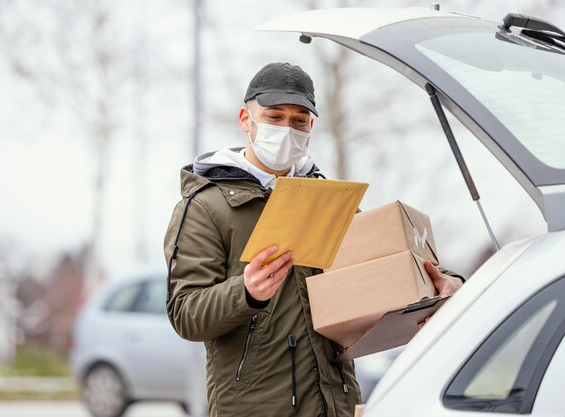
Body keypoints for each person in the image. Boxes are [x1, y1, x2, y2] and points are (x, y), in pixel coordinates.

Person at [164, 62, 464, 417]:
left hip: (334, 401)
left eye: (299, 120)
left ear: (311, 127)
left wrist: (441, 284)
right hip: (254, 408)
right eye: (274, 117)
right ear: (246, 119)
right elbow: (185, 313)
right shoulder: (204, 206)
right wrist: (245, 292)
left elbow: (380, 263)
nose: (286, 129)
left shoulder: (328, 198)